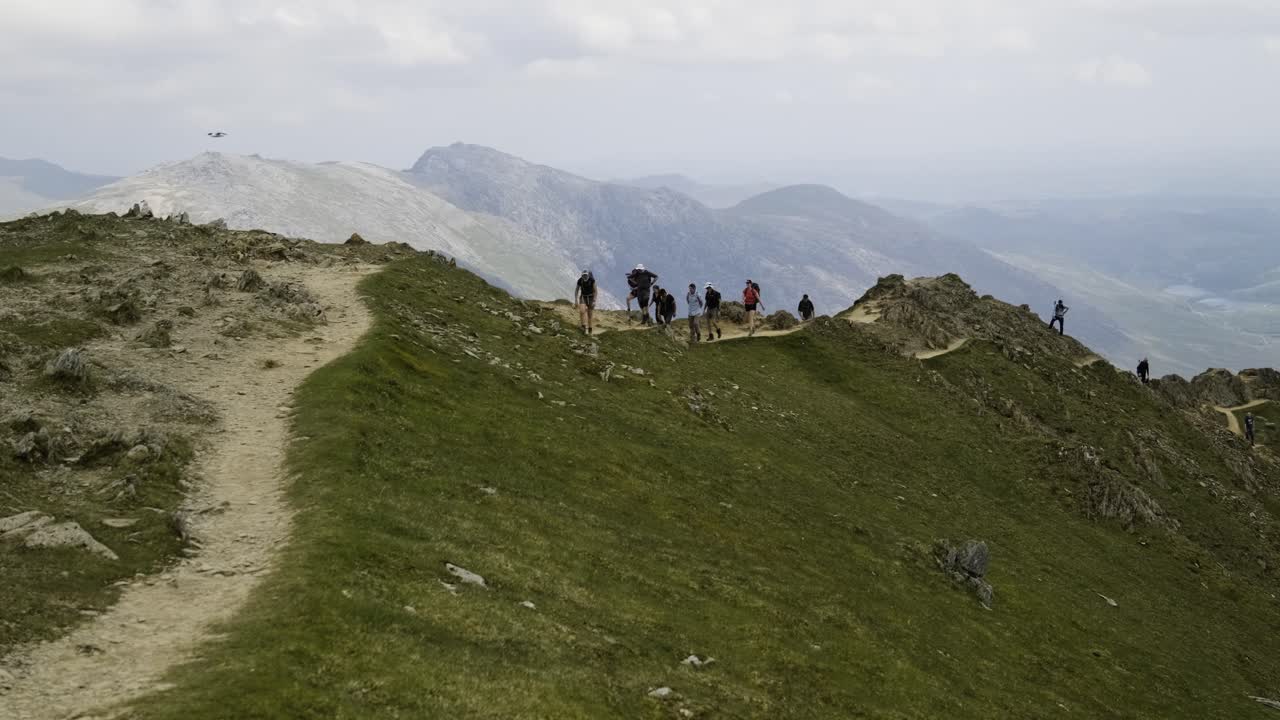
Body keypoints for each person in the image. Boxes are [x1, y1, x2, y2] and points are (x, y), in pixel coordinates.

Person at [574, 270, 596, 335]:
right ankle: (583, 326)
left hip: (591, 297)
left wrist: (594, 300)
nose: (585, 276)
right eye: (583, 275)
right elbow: (576, 290)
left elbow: (595, 291)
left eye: (586, 275)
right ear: (582, 275)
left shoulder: (592, 280)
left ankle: (590, 328)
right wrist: (576, 300)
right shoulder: (580, 280)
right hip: (583, 296)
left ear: (588, 275)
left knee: (590, 314)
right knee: (582, 310)